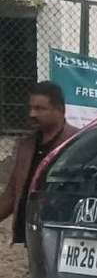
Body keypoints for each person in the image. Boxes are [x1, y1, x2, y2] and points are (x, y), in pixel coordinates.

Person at [0, 82, 78, 244]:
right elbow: (11, 195)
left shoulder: (78, 142)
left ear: (60, 110)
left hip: (62, 238)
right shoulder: (26, 145)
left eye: (40, 109)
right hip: (29, 237)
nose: (32, 114)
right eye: (30, 108)